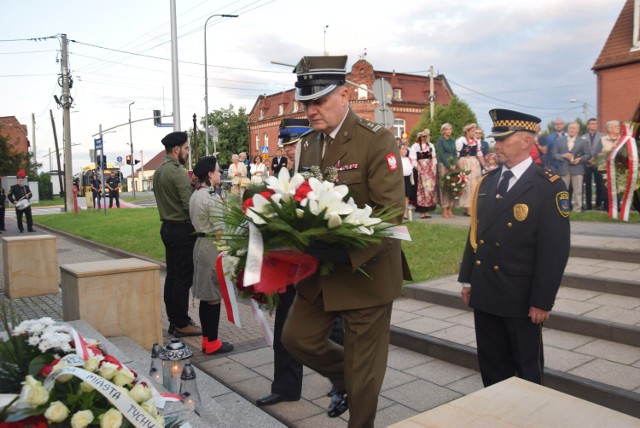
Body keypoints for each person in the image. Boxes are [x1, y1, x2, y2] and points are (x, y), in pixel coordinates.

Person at [281, 55, 410, 428]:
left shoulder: (376, 140)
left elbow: (390, 213)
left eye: (319, 101)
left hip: (365, 271)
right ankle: (344, 377)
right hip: (321, 270)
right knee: (296, 338)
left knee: (364, 373)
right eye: (306, 103)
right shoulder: (307, 146)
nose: (311, 110)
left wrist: (344, 247)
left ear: (344, 95)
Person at [459, 108, 570, 388]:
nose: (496, 145)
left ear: (526, 141)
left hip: (520, 297)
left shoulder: (548, 187)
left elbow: (554, 250)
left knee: (526, 369)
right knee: (492, 365)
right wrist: (468, 278)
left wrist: (542, 300)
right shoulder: (487, 181)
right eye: (495, 139)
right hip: (486, 290)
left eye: (503, 139)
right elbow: (476, 234)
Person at [153, 131, 202, 338]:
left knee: (172, 277)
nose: (187, 152)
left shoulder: (159, 171)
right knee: (183, 277)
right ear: (177, 149)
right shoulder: (177, 172)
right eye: (186, 148)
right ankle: (182, 323)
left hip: (167, 227)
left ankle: (174, 321)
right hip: (182, 230)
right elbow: (188, 204)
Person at [189, 156, 234, 356]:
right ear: (209, 174)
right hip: (212, 246)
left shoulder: (196, 195)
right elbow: (220, 229)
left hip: (200, 244)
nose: (220, 173)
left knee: (207, 297)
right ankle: (213, 341)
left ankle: (208, 340)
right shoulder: (211, 197)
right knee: (214, 297)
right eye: (217, 170)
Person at [552, 122, 590, 212]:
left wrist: (580, 159)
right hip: (563, 169)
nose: (572, 130)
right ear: (568, 129)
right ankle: (563, 208)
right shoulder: (559, 140)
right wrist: (563, 156)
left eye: (574, 128)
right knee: (563, 190)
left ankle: (577, 209)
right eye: (570, 128)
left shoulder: (583, 141)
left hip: (578, 169)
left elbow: (588, 154)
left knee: (578, 191)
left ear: (578, 130)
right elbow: (554, 154)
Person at [456, 123, 486, 216]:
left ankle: (471, 207)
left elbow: (479, 154)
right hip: (464, 162)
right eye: (472, 131)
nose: (474, 133)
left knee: (474, 185)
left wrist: (485, 165)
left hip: (474, 163)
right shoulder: (461, 141)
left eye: (474, 131)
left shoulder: (476, 141)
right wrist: (459, 167)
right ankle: (467, 208)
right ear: (467, 131)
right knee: (466, 185)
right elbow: (457, 155)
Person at [410, 129, 438, 218]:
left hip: (429, 170)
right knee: (421, 190)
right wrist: (417, 168)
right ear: (419, 137)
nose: (424, 138)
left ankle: (427, 211)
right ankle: (422, 212)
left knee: (429, 190)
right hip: (421, 170)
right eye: (423, 136)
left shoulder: (430, 146)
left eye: (426, 136)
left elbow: (433, 157)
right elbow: (413, 158)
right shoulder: (415, 146)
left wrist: (433, 167)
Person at [596, 120, 622, 212]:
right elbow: (597, 153)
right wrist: (607, 154)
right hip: (604, 168)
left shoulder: (622, 139)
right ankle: (607, 207)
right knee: (606, 188)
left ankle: (617, 207)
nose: (618, 128)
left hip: (619, 168)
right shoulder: (602, 139)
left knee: (618, 188)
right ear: (609, 129)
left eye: (618, 126)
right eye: (616, 126)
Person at [436, 123, 457, 218]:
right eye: (447, 129)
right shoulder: (440, 140)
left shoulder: (452, 140)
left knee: (452, 187)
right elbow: (440, 154)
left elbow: (455, 153)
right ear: (443, 130)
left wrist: (454, 164)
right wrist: (448, 165)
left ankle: (450, 209)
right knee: (444, 187)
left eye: (450, 129)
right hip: (444, 165)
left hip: (452, 166)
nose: (449, 131)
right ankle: (444, 209)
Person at [583, 118, 605, 210]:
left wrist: (594, 158)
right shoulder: (583, 136)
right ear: (588, 125)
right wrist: (588, 159)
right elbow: (582, 149)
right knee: (587, 185)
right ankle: (588, 205)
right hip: (587, 164)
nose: (594, 125)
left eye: (595, 123)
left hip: (598, 163)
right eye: (592, 124)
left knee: (599, 184)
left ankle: (598, 204)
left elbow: (603, 149)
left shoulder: (603, 136)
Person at [399, 143, 415, 220]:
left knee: (406, 196)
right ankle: (399, 212)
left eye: (405, 149)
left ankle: (405, 213)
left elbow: (410, 170)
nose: (404, 151)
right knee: (400, 196)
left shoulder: (408, 159)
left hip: (407, 179)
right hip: (399, 179)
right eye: (402, 149)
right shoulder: (397, 159)